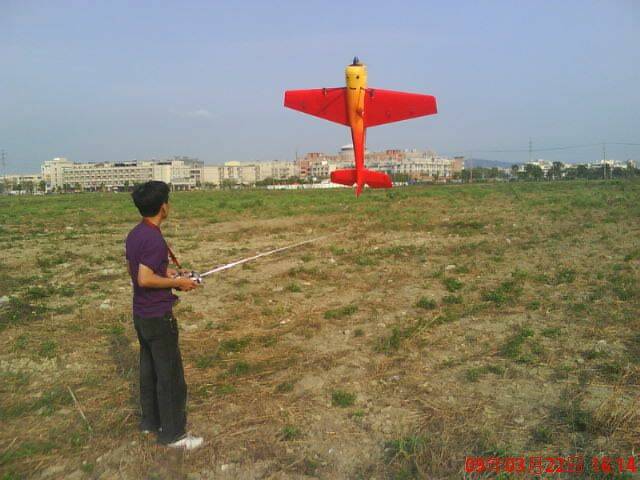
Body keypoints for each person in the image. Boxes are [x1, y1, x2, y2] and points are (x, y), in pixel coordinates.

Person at [125, 180, 203, 450]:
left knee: (149, 371)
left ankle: (151, 422)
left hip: (141, 315)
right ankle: (173, 435)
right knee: (170, 377)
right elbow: (145, 279)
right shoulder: (154, 239)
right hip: (158, 317)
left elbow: (135, 271)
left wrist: (168, 274)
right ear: (163, 207)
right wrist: (177, 283)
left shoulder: (136, 234)